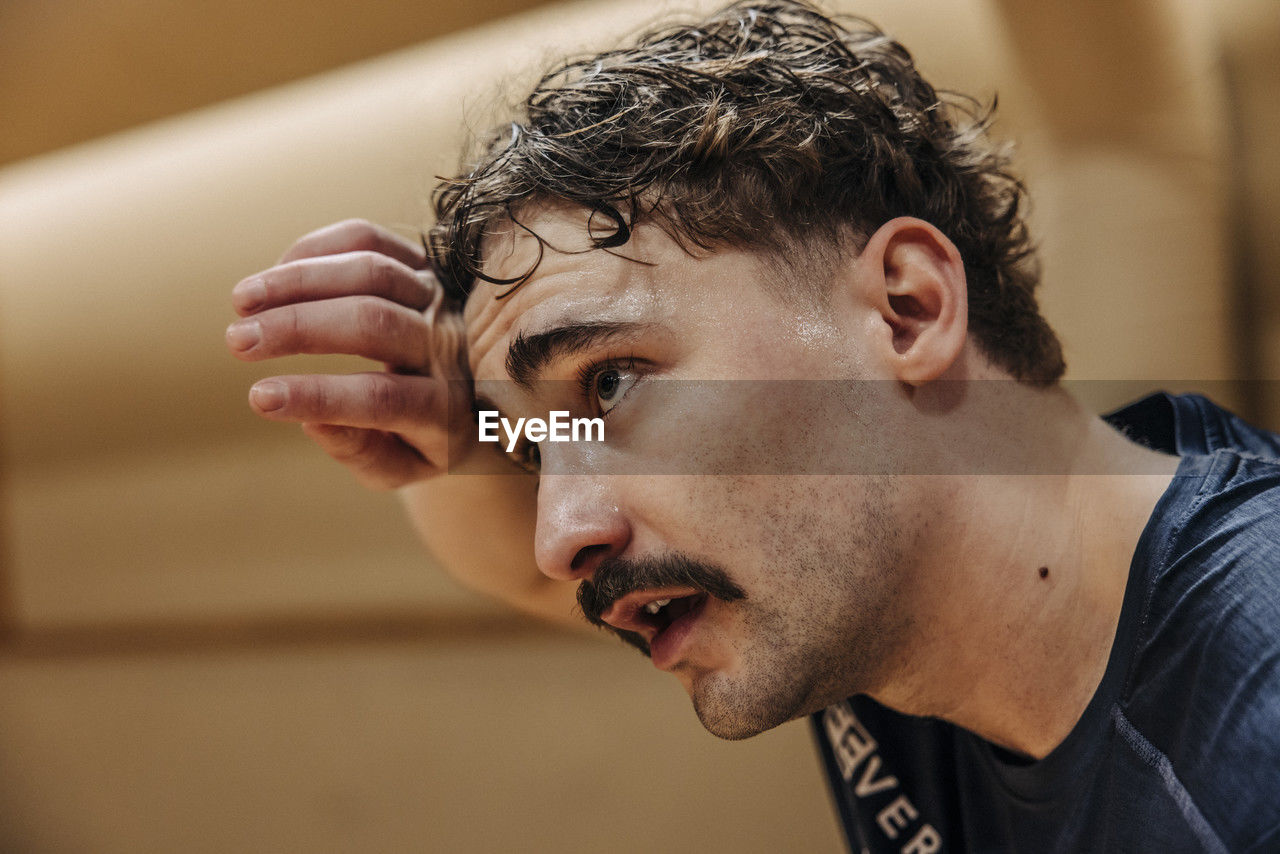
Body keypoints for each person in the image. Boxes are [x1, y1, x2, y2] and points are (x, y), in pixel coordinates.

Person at [224, 1, 1280, 850]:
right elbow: (513, 553)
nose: (560, 534)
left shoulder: (1249, 735)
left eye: (611, 384)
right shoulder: (887, 571)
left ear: (905, 308)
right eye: (537, 443)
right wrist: (459, 428)